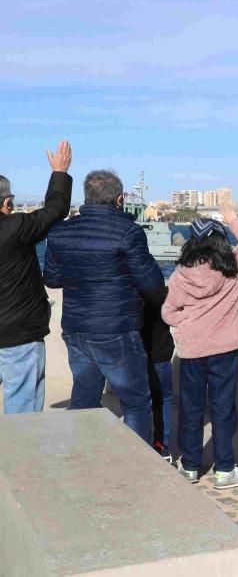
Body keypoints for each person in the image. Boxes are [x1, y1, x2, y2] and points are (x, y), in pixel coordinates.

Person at [45, 170, 163, 443]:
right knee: (135, 401)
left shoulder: (60, 232)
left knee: (84, 398)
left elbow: (52, 279)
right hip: (116, 329)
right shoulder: (128, 231)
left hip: (76, 329)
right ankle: (137, 464)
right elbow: (152, 282)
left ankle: (85, 460)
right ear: (119, 199)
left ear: (87, 196)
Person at [164, 205, 238, 490]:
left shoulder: (182, 275)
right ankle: (224, 469)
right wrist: (232, 218)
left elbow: (169, 312)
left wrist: (187, 323)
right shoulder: (234, 265)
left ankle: (190, 466)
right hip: (225, 350)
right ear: (221, 241)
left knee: (191, 408)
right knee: (222, 409)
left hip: (193, 350)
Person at [0, 141, 73, 414]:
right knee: (23, 415)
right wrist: (60, 172)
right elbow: (55, 210)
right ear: (7, 202)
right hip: (19, 335)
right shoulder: (16, 226)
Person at [142, 287, 175, 460]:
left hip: (140, 358)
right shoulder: (164, 296)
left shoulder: (133, 294)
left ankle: (144, 443)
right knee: (164, 401)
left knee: (142, 405)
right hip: (162, 356)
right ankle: (163, 445)